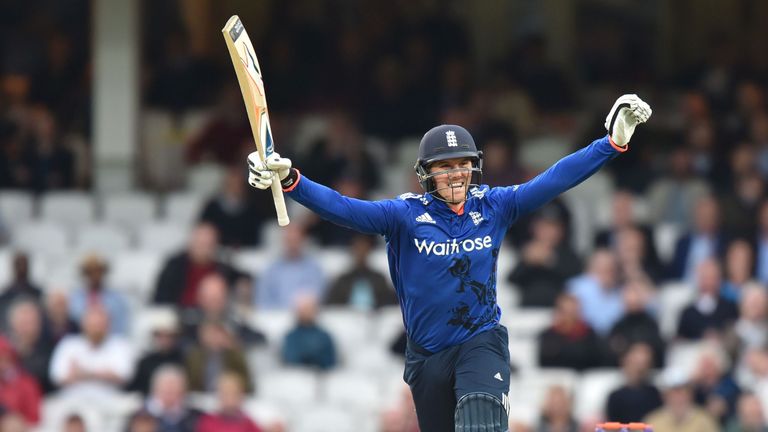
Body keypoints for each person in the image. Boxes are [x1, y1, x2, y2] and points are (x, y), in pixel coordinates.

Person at [247, 95, 652, 431]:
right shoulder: (404, 215)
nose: (456, 174)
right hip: (426, 357)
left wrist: (610, 143)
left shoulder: (494, 205)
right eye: (445, 166)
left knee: (480, 421)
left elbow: (555, 178)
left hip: (481, 340)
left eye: (462, 164)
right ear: (427, 174)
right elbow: (345, 209)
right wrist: (292, 181)